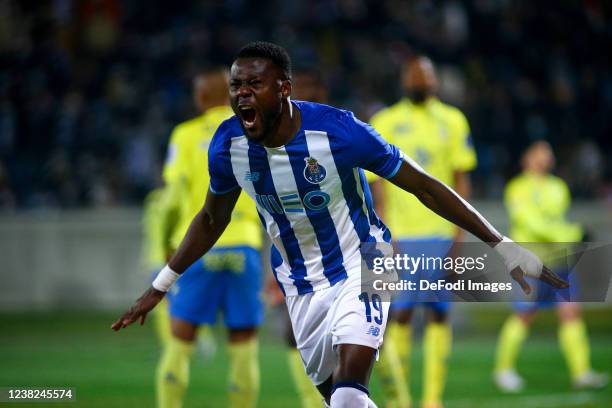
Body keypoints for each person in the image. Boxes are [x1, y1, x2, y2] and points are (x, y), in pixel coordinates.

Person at [112, 41, 567, 408]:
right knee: (340, 398)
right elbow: (212, 216)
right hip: (302, 281)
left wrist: (503, 245)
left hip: (369, 260)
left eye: (255, 84)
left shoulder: (340, 132)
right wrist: (161, 284)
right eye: (236, 85)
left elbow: (425, 185)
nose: (242, 94)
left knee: (349, 394)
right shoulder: (227, 145)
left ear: (284, 88)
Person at [368, 55, 476, 408]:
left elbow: (462, 181)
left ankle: (432, 400)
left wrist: (460, 237)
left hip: (442, 236)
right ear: (404, 81)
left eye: (425, 76)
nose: (419, 81)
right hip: (400, 237)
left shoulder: (453, 120)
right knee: (398, 315)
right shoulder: (385, 121)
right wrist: (385, 236)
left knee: (439, 314)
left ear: (435, 82)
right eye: (414, 76)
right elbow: (377, 187)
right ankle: (402, 399)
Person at [155, 68, 264, 408]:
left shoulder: (184, 135)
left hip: (198, 246)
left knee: (180, 342)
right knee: (243, 346)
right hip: (244, 244)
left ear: (200, 96)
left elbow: (171, 200)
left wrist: (167, 246)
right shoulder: (253, 132)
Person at [493, 141, 608, 392]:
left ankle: (581, 373)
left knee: (571, 312)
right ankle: (503, 370)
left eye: (549, 154)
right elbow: (532, 225)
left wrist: (568, 234)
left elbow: (554, 221)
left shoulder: (558, 187)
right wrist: (574, 232)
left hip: (558, 262)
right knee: (524, 315)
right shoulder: (517, 188)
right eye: (539, 153)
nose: (545, 158)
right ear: (527, 158)